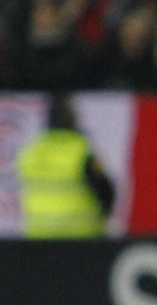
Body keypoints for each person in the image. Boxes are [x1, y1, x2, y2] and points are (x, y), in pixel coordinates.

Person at [15, 95, 115, 238]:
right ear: (72, 120)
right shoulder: (80, 152)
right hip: (80, 237)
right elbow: (107, 191)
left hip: (38, 236)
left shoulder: (30, 152)